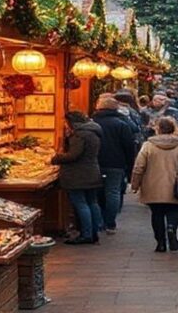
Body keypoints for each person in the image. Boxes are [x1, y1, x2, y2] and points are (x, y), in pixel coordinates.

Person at [131, 116, 178, 252]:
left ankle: (160, 242)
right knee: (173, 209)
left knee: (156, 213)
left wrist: (135, 184)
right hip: (174, 185)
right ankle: (171, 228)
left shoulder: (148, 146)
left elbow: (139, 166)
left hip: (152, 186)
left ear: (157, 129)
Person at [51, 111, 104, 245]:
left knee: (80, 203)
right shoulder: (93, 132)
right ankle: (94, 231)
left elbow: (73, 155)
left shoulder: (80, 135)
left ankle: (86, 234)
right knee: (92, 202)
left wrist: (56, 158)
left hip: (78, 174)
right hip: (92, 171)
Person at [91, 95, 136, 235]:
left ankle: (98, 223)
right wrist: (129, 165)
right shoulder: (121, 124)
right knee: (113, 192)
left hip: (95, 162)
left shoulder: (92, 122)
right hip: (116, 163)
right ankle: (110, 223)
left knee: (96, 193)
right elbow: (129, 146)